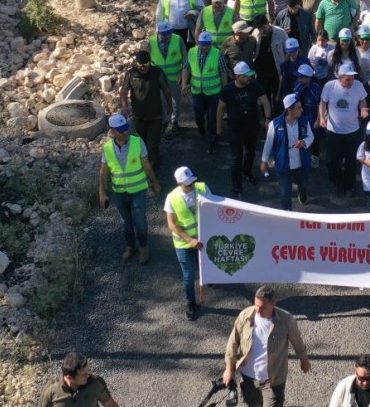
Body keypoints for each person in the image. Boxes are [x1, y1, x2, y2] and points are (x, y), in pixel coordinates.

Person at [222, 285, 313, 407]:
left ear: (274, 303)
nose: (258, 311)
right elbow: (233, 342)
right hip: (248, 378)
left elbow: (298, 342)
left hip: (273, 381)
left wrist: (304, 360)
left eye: (263, 308)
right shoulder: (245, 316)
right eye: (256, 305)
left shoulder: (286, 320)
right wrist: (229, 369)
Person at [97, 114, 161, 264]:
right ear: (112, 131)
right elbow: (103, 171)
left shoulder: (138, 143)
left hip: (138, 190)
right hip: (119, 193)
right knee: (126, 222)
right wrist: (102, 193)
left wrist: (154, 182)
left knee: (139, 221)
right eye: (120, 130)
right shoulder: (107, 148)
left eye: (126, 128)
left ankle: (143, 247)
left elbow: (146, 165)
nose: (124, 132)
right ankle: (131, 246)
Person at [218, 63, 273, 197]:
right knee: (236, 158)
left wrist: (267, 119)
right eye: (246, 76)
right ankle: (237, 187)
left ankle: (248, 172)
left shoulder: (254, 85)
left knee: (250, 152)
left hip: (252, 126)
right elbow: (220, 108)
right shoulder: (228, 90)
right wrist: (218, 126)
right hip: (235, 129)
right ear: (237, 76)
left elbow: (265, 102)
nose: (250, 77)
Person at [164, 166, 210, 321]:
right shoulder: (172, 198)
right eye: (187, 184)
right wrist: (189, 240)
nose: (191, 186)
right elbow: (171, 224)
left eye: (192, 182)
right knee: (189, 275)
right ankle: (191, 302)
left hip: (202, 239)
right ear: (179, 183)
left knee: (205, 266)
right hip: (184, 244)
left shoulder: (202, 188)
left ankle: (208, 280)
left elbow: (214, 208)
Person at [320, 62, 368, 195]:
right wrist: (322, 118)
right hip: (333, 131)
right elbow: (323, 102)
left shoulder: (358, 86)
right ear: (339, 78)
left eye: (352, 78)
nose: (351, 81)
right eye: (348, 79)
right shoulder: (329, 86)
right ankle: (336, 182)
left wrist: (363, 108)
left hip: (352, 131)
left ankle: (349, 185)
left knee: (351, 161)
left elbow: (362, 100)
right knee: (331, 161)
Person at [263, 94, 317, 210]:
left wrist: (304, 142)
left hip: (300, 163)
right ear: (289, 110)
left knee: (303, 184)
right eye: (298, 108)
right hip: (283, 164)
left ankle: (302, 193)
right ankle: (287, 213)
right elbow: (269, 143)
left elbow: (311, 137)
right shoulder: (275, 124)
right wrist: (264, 161)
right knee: (285, 193)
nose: (302, 110)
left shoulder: (304, 121)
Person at [118, 48, 173, 162]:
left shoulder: (157, 73)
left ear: (150, 63)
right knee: (142, 141)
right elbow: (124, 91)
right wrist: (124, 106)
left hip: (155, 115)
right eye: (140, 65)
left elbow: (166, 90)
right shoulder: (130, 74)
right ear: (136, 63)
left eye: (146, 65)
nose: (143, 68)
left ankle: (154, 166)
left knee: (153, 144)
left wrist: (170, 105)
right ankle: (146, 161)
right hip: (139, 116)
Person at [183, 31, 225, 149]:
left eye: (207, 45)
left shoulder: (217, 54)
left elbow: (223, 72)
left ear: (211, 44)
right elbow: (186, 68)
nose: (204, 47)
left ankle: (211, 139)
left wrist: (225, 88)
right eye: (202, 44)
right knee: (198, 116)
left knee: (212, 117)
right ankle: (201, 129)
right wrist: (184, 84)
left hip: (214, 92)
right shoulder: (191, 52)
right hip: (197, 91)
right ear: (198, 43)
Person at [38, 352, 119, 407]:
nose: (88, 375)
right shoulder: (51, 390)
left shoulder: (95, 384)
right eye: (84, 375)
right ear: (69, 377)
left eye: (88, 371)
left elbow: (110, 404)